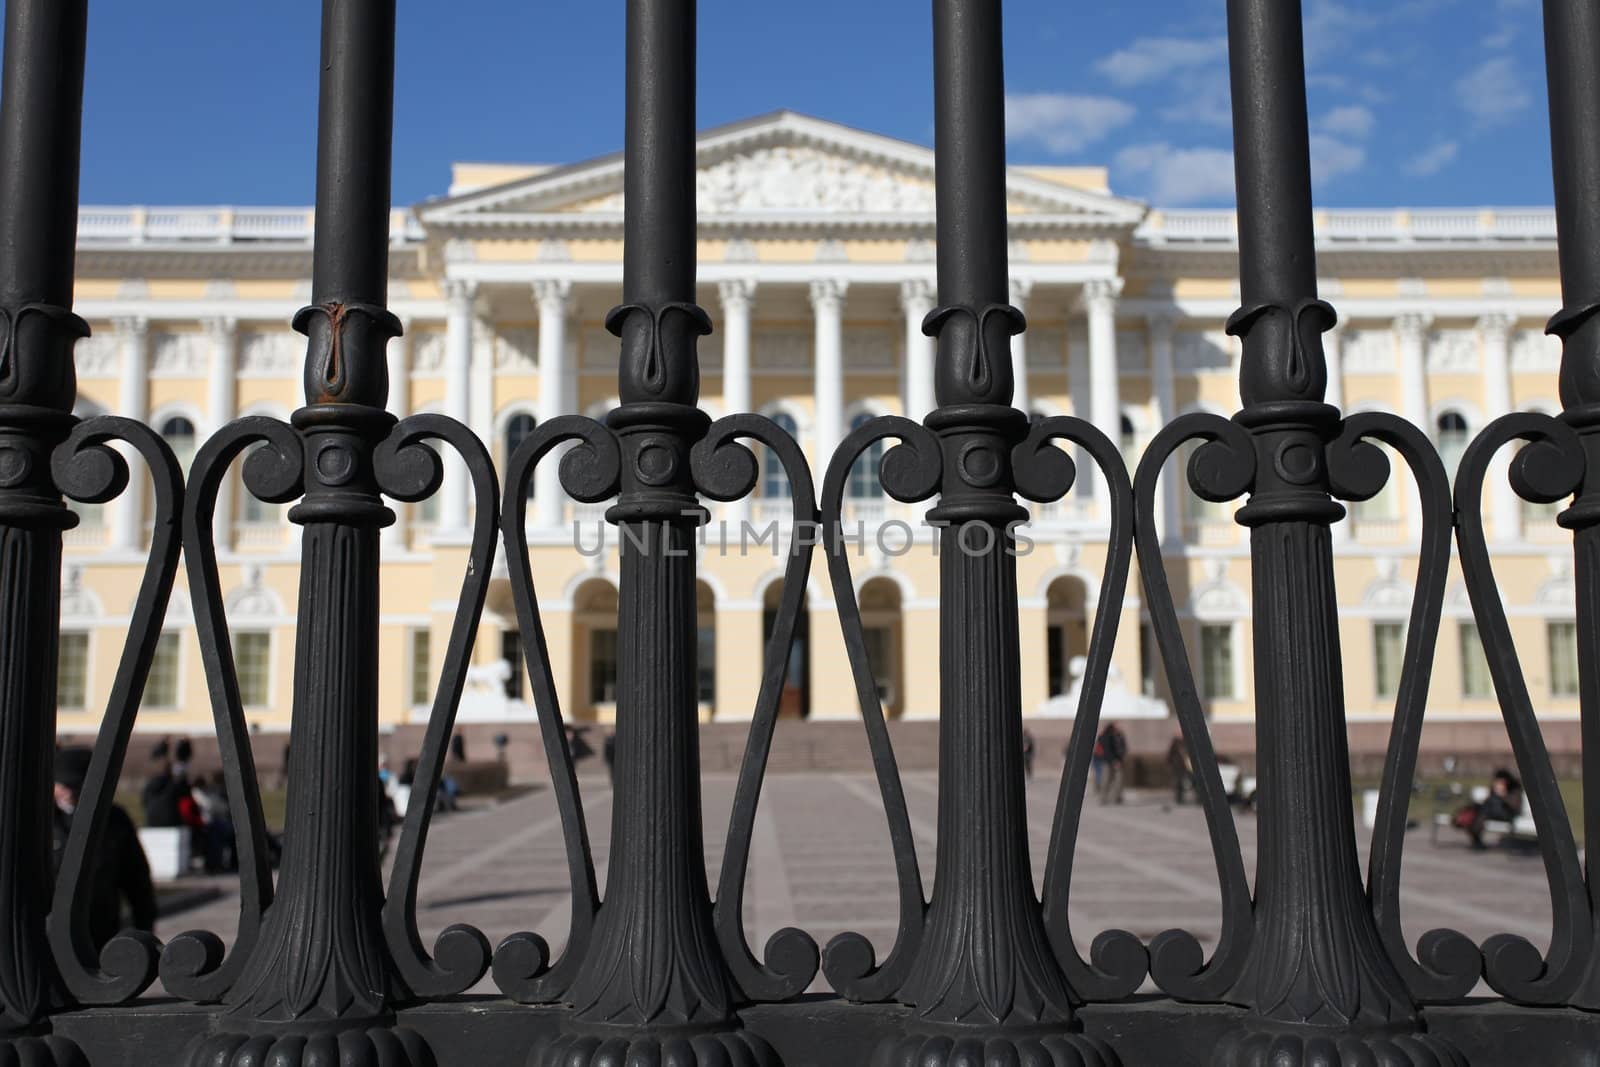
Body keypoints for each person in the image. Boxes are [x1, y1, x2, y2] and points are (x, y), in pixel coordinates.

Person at [51, 747, 157, 953]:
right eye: (64, 785)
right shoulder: (37, 819)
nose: (70, 793)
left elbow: (136, 876)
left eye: (77, 785)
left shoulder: (113, 819)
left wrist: (145, 926)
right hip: (47, 933)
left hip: (99, 928)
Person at [1457, 767, 1523, 851]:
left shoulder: (1515, 789)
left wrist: (1502, 795)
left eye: (1501, 781)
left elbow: (1514, 805)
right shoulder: (1495, 787)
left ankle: (1471, 830)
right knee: (1479, 809)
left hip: (1507, 813)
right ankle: (1469, 819)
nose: (1499, 783)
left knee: (1482, 811)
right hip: (1492, 812)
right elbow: (1488, 801)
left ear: (1507, 781)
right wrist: (1495, 793)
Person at [1097, 722, 1127, 805]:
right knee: (1106, 779)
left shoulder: (1120, 736)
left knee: (1118, 779)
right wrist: (1114, 760)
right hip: (1108, 761)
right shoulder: (1106, 736)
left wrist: (1120, 759)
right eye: (1116, 727)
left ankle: (1117, 797)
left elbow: (1123, 747)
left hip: (1118, 761)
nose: (1118, 728)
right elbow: (1106, 750)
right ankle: (1103, 798)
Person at [1167, 732, 1192, 806]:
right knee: (1178, 783)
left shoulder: (1186, 743)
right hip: (1178, 767)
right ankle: (1179, 799)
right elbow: (1170, 755)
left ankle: (1181, 798)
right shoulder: (1176, 743)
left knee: (1187, 782)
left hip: (1185, 766)